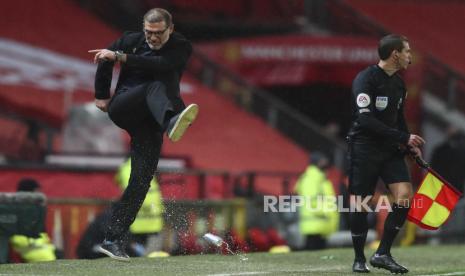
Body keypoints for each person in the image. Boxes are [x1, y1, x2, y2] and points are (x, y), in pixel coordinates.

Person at [88, 8, 198, 261]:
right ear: (143, 28)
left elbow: (162, 64)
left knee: (140, 182)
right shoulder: (130, 40)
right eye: (149, 32)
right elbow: (105, 58)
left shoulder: (181, 46)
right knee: (155, 84)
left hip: (149, 123)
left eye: (158, 33)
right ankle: (173, 120)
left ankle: (112, 239)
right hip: (126, 105)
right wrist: (101, 94)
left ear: (170, 29)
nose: (152, 38)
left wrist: (120, 57)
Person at [347, 34, 425, 274]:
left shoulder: (399, 84)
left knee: (404, 195)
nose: (410, 56)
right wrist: (403, 138)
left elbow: (398, 119)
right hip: (365, 147)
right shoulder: (366, 79)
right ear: (395, 54)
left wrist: (408, 143)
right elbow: (365, 119)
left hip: (390, 149)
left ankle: (382, 253)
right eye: (407, 51)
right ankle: (359, 258)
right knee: (361, 203)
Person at [294, 151, 339, 250]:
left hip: (320, 224)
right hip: (315, 223)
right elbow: (312, 200)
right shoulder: (311, 179)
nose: (325, 164)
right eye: (322, 162)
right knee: (313, 251)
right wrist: (326, 212)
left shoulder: (320, 179)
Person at [9, 178, 57, 263]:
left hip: (47, 262)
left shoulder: (35, 213)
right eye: (36, 192)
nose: (39, 195)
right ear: (28, 194)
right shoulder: (14, 213)